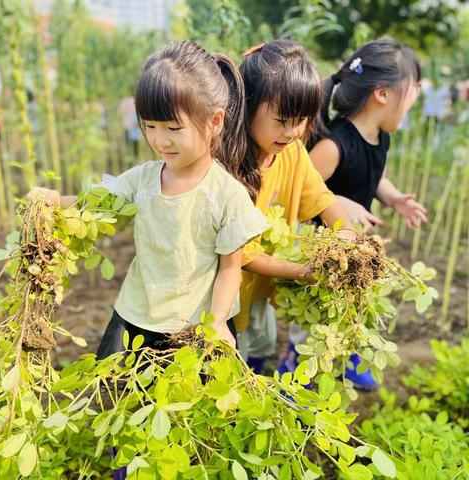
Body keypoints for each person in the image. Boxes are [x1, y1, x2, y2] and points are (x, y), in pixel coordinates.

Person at [29, 41, 268, 360]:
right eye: (150, 127)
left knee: (186, 406)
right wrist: (56, 200)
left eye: (172, 128)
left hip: (193, 326)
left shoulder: (226, 195)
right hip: (135, 317)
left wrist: (219, 321)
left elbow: (229, 269)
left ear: (214, 122)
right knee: (117, 399)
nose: (159, 140)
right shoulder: (142, 180)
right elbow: (97, 204)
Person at [297, 38, 427, 390]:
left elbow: (375, 175)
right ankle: (294, 368)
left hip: (353, 246)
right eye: (414, 86)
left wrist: (396, 198)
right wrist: (338, 202)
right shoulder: (334, 145)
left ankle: (351, 359)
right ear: (382, 94)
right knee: (317, 314)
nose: (417, 93)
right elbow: (297, 194)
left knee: (358, 302)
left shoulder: (379, 138)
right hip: (321, 250)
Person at [232, 40, 354, 375]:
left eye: (301, 120)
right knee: (232, 338)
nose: (292, 132)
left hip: (261, 279)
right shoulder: (231, 167)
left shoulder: (293, 152)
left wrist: (346, 237)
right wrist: (305, 271)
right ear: (247, 106)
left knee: (260, 338)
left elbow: (323, 200)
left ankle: (251, 377)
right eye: (282, 120)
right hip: (227, 282)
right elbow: (241, 254)